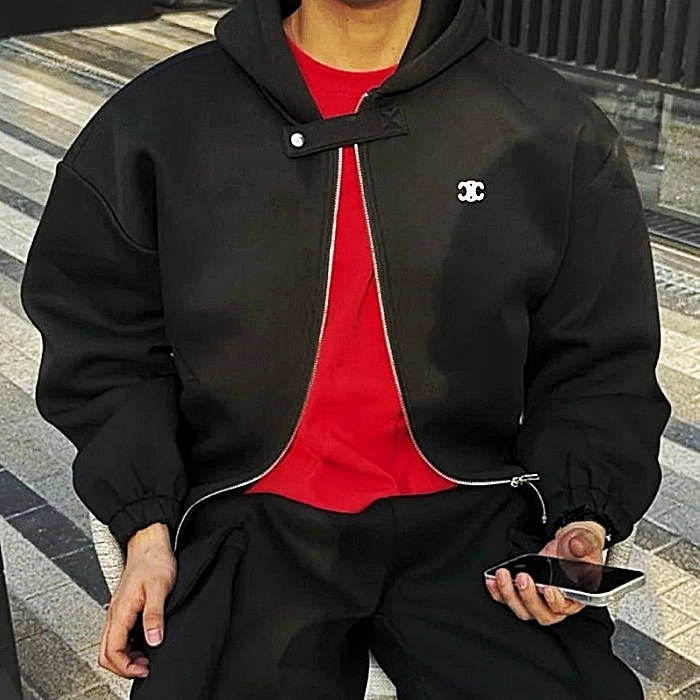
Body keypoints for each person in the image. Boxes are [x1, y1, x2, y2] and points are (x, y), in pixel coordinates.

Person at [20, 0, 671, 697]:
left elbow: (599, 358)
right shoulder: (160, 120)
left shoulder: (550, 127)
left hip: (477, 514)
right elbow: (104, 341)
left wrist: (581, 513)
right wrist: (145, 522)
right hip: (249, 514)